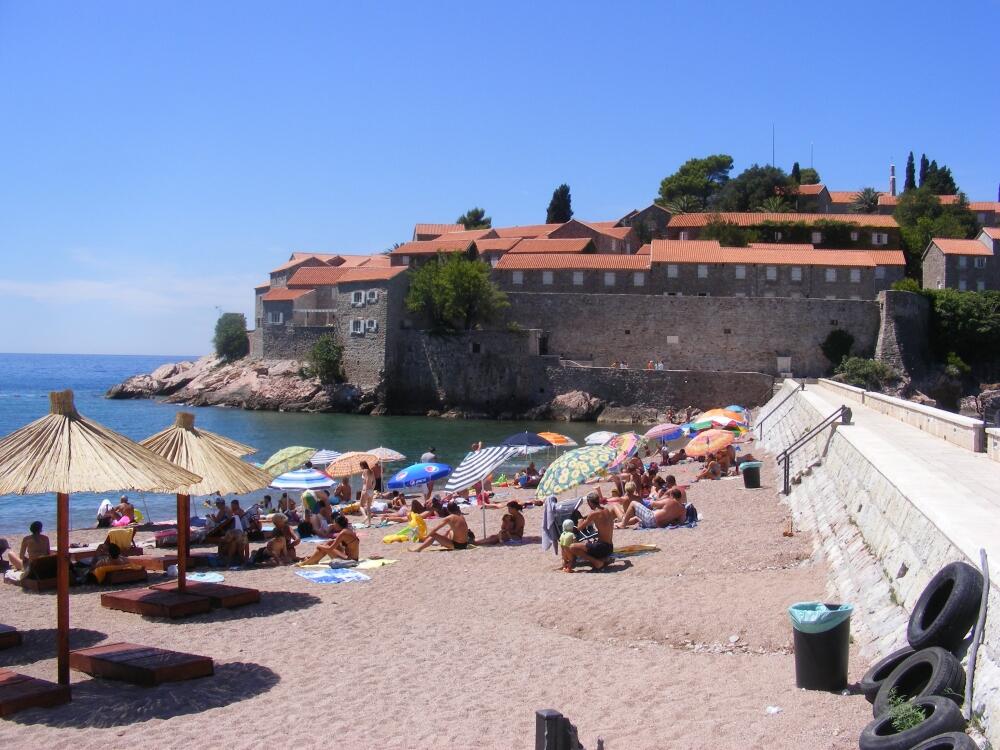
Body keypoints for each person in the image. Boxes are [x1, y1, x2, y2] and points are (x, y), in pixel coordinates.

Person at [562, 493, 614, 571]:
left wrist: (579, 518)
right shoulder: (607, 510)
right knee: (591, 543)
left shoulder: (594, 513)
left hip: (603, 547)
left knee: (573, 547)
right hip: (610, 547)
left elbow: (579, 528)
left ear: (590, 502)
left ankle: (597, 563)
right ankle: (603, 558)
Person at [617, 489, 685, 529]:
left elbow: (653, 504)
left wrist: (657, 499)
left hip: (651, 519)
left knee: (633, 503)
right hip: (658, 525)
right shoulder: (683, 509)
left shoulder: (669, 501)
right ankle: (617, 524)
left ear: (672, 495)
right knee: (636, 518)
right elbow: (681, 522)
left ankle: (623, 524)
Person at [359, 460, 375, 526]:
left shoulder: (365, 471)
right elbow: (374, 481)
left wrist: (366, 489)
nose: (360, 467)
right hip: (371, 491)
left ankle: (365, 516)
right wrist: (372, 489)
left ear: (362, 465)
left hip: (365, 490)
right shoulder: (371, 471)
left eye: (360, 466)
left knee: (361, 506)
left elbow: (367, 480)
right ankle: (369, 523)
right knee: (368, 507)